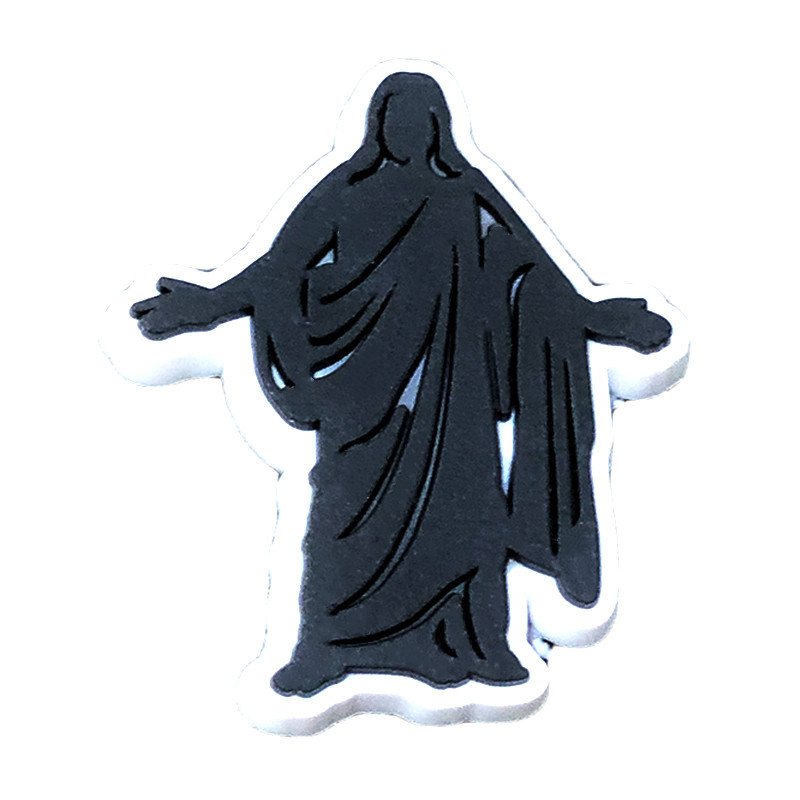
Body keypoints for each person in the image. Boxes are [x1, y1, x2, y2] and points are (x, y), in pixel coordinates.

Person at [131, 72, 672, 696]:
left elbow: (535, 275)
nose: (408, 132)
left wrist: (598, 317)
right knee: (343, 514)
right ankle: (326, 649)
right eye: (396, 120)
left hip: (455, 396)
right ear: (378, 128)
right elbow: (281, 268)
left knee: (468, 514)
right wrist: (207, 305)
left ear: (438, 129)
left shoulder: (465, 192)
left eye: (420, 121)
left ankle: (479, 644)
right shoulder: (345, 191)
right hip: (365, 395)